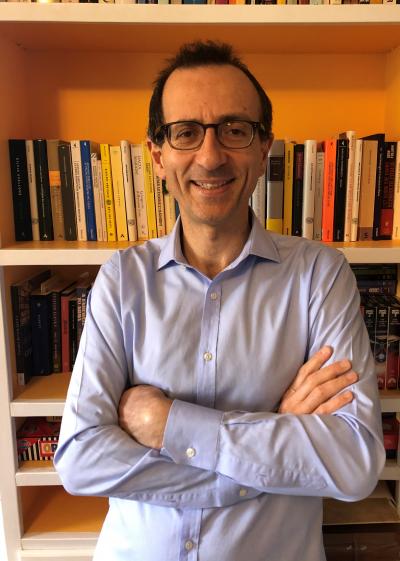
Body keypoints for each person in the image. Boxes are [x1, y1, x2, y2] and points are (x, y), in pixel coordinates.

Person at [54, 41, 385, 561]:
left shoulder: (320, 274)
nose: (210, 157)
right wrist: (272, 442)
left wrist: (169, 425)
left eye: (234, 129)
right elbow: (81, 460)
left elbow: (354, 462)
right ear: (158, 156)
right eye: (186, 132)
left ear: (264, 148)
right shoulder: (122, 279)